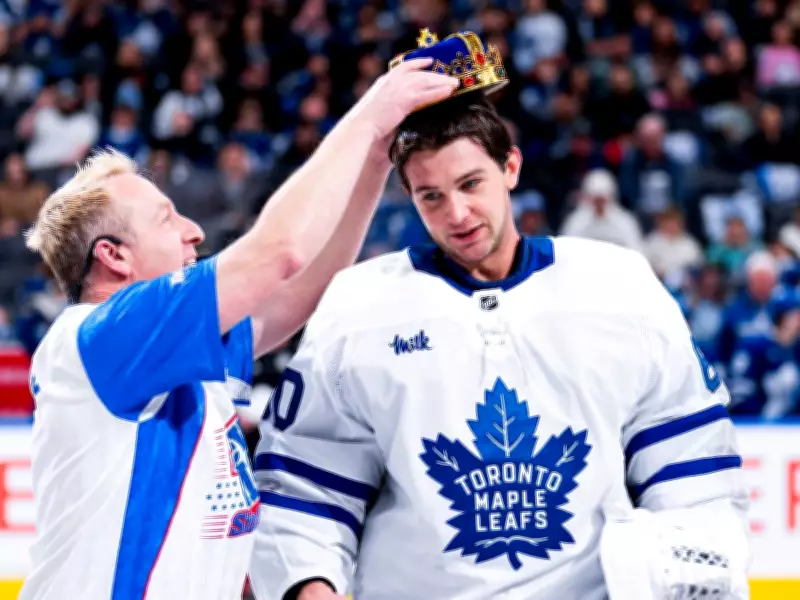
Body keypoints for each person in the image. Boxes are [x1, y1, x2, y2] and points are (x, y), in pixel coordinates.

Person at [249, 31, 750, 600]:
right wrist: (310, 583)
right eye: (429, 196)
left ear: (510, 167)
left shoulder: (618, 285)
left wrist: (698, 577)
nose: (456, 213)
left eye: (470, 184)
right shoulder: (360, 308)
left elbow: (691, 467)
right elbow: (306, 486)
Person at [18, 59, 458, 600]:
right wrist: (371, 111)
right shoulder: (99, 335)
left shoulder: (173, 347)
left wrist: (375, 157)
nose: (194, 230)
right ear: (113, 256)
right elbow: (282, 252)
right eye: (166, 219)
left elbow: (311, 282)